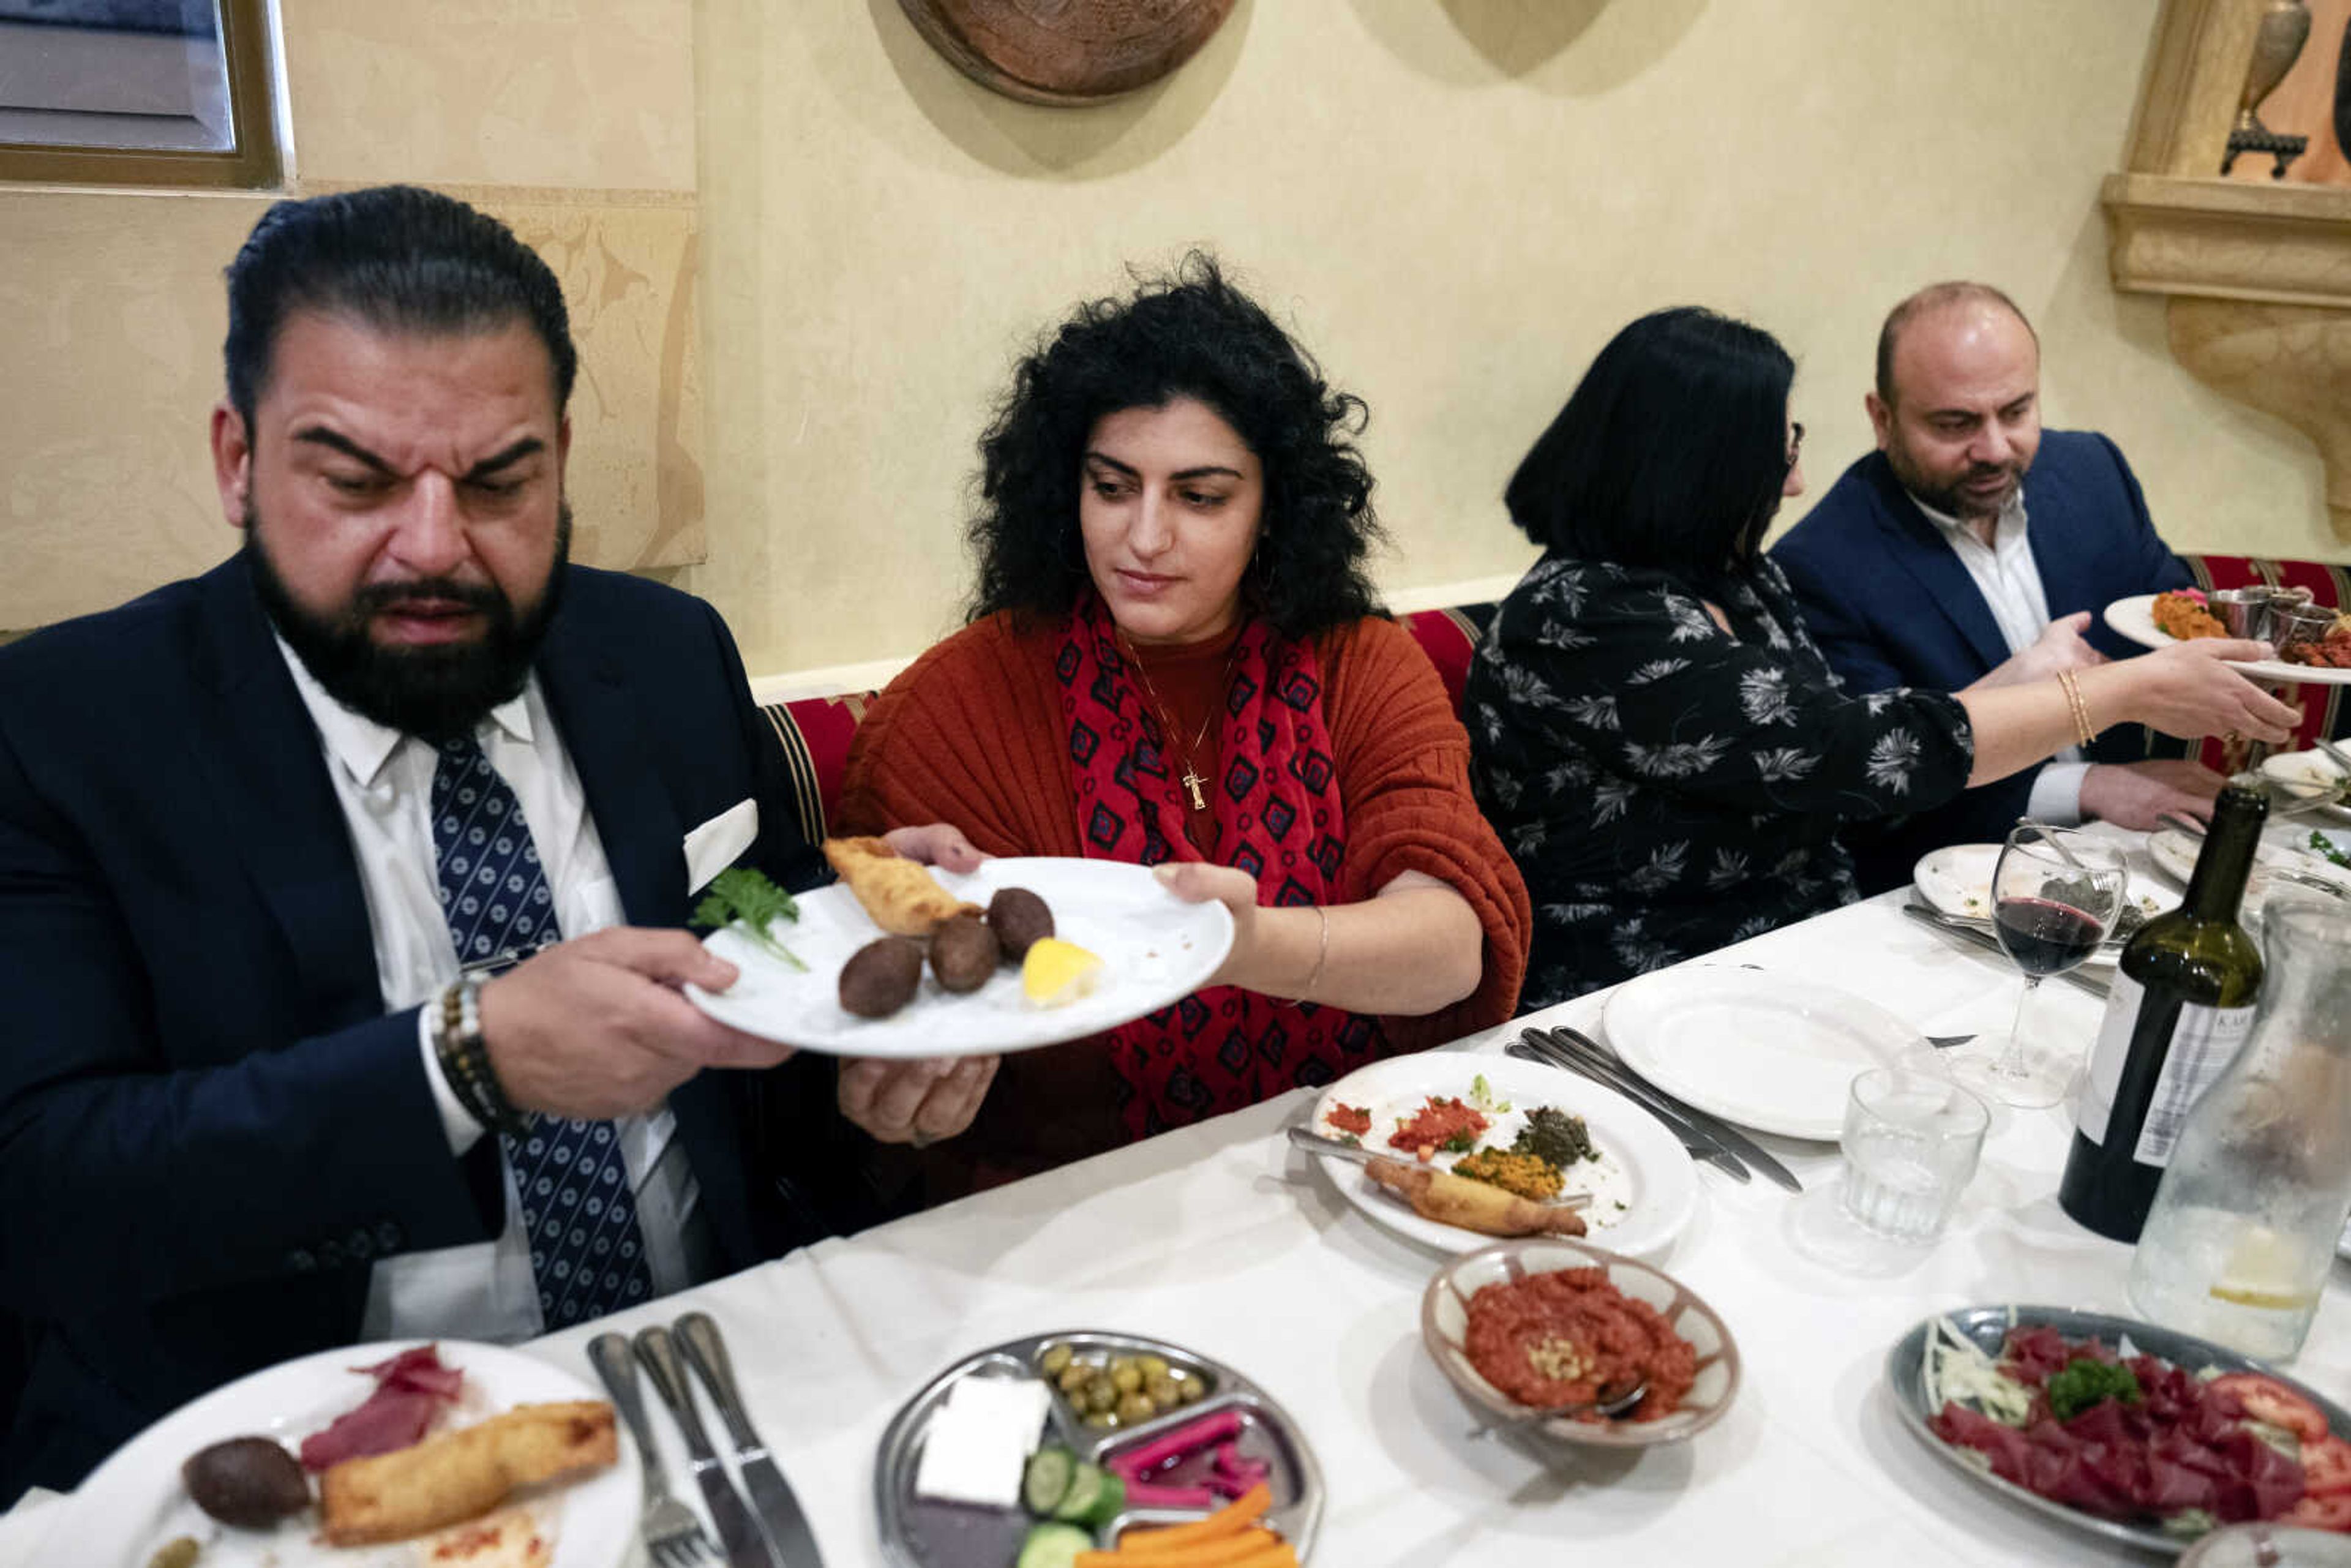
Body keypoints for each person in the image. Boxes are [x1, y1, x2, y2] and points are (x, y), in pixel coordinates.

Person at [0, 186, 983, 1496]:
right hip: (303, 1456)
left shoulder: (665, 653)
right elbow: (45, 1188)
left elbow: (739, 901)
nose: (433, 544)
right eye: (352, 477)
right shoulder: (63, 727)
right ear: (238, 459)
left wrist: (869, 968)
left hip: (707, 1372)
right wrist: (461, 1061)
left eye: (499, 479)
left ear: (562, 456)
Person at [838, 255, 1531, 1198]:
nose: (1146, 538)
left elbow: (1452, 946)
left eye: (1201, 497)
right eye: (1113, 487)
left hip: (1354, 1168)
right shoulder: (955, 709)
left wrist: (1242, 949)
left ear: (1273, 512)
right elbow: (915, 1033)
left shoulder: (1361, 663)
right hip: (1076, 1209)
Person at [1465, 307, 2297, 1008]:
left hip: (1812, 945)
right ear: (1695, 471)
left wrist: (2028, 678)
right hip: (1647, 985)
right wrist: (2113, 691)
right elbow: (1853, 755)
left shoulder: (1733, 579)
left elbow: (1852, 757)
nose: (1792, 481)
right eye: (1777, 449)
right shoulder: (1585, 617)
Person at [1771, 282, 2219, 891]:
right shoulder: (1821, 567)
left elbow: (2169, 610)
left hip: (2131, 860)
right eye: (1955, 424)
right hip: (1949, 890)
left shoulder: (2092, 471)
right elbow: (1875, 802)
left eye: (2015, 412)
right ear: (1882, 419)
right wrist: (2092, 787)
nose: (1994, 448)